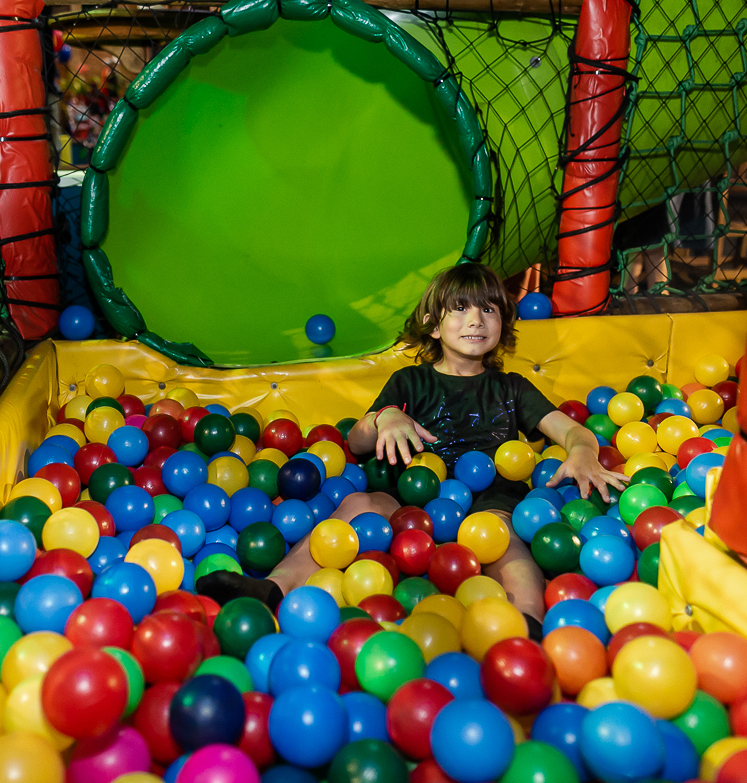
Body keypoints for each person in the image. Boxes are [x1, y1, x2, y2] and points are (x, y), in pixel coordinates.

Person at [199, 263, 626, 629]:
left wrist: (583, 452)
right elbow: (357, 441)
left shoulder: (511, 388)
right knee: (358, 505)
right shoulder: (411, 381)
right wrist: (387, 416)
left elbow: (571, 431)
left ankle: (527, 622)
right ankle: (273, 586)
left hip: (489, 500)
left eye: (488, 309)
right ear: (434, 325)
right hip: (409, 499)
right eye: (460, 309)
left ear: (502, 323)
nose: (476, 320)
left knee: (506, 541)